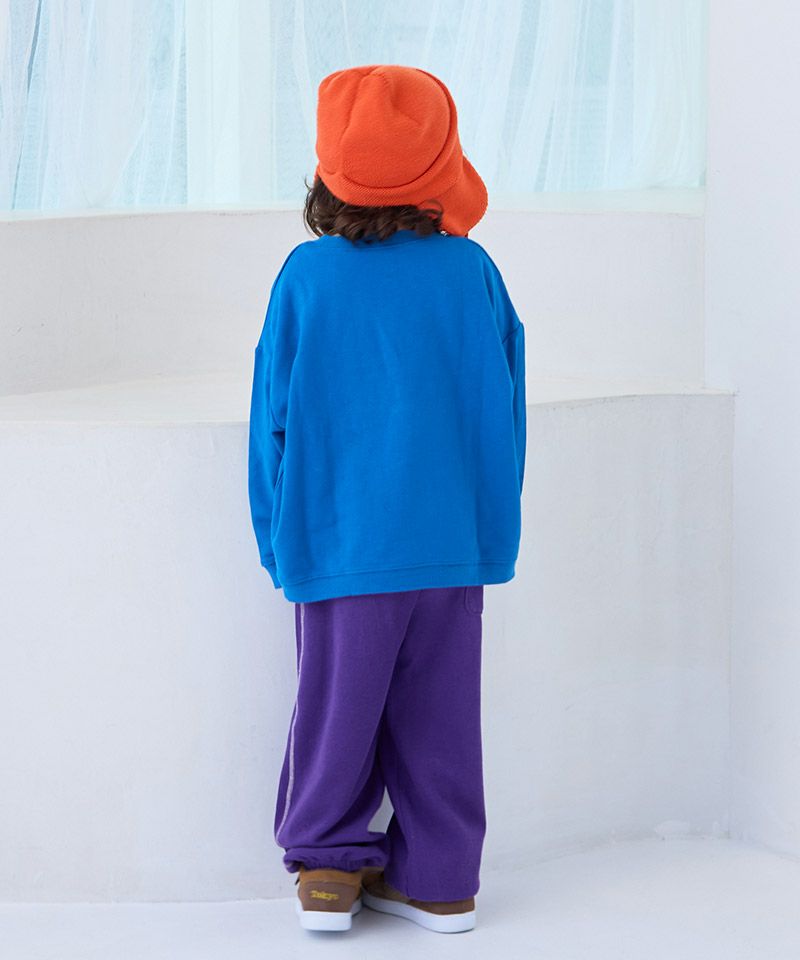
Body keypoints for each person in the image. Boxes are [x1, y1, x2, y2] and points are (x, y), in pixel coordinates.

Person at [248, 63, 526, 935]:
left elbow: (271, 417)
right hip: (451, 544)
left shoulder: (307, 276)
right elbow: (505, 411)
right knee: (442, 713)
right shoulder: (473, 272)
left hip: (339, 543)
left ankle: (328, 871)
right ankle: (442, 881)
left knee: (337, 708)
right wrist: (491, 529)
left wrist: (276, 537)